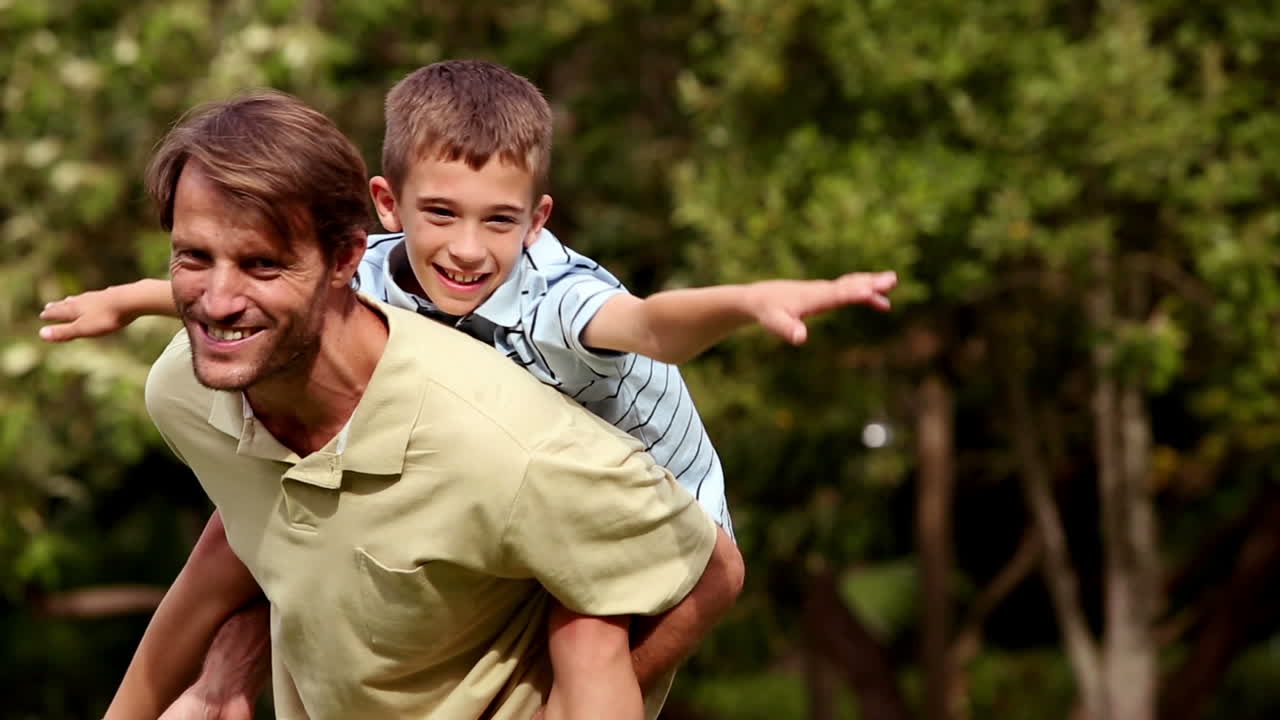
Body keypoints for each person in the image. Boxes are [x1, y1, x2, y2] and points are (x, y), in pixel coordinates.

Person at [43, 61, 896, 717]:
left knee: (587, 623)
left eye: (499, 220)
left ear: (539, 219)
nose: (465, 247)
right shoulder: (369, 280)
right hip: (511, 486)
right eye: (440, 214)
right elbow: (241, 298)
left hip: (645, 479)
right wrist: (124, 301)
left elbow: (652, 328)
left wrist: (748, 302)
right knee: (240, 531)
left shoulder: (556, 309)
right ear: (388, 208)